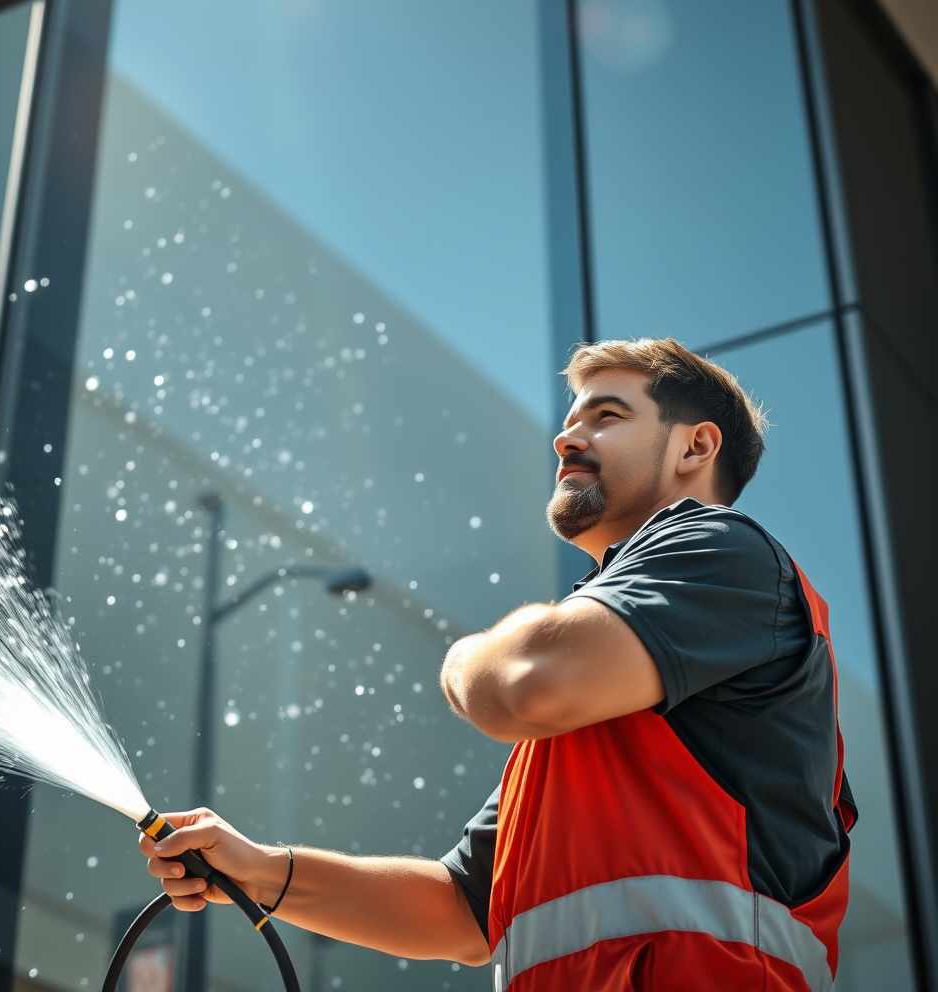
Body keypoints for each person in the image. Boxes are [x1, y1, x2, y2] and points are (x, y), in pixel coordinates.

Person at [140, 337, 855, 991]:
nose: (567, 437)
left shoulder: (721, 551)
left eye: (606, 415)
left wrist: (464, 658)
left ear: (695, 447)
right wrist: (261, 870)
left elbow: (523, 684)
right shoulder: (604, 705)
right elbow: (460, 912)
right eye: (571, 420)